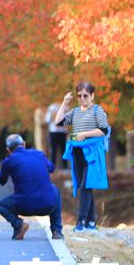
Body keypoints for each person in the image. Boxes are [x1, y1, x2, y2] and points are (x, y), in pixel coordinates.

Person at [53, 81, 109, 233]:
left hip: (92, 152)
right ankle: (91, 222)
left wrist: (85, 134)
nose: (82, 98)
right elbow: (58, 122)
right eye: (79, 96)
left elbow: (104, 130)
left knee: (86, 185)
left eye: (85, 95)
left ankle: (81, 221)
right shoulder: (76, 112)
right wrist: (64, 103)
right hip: (77, 152)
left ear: (92, 95)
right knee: (84, 186)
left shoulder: (98, 111)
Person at [0, 134, 63, 240]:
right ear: (24, 144)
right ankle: (56, 231)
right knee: (54, 189)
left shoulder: (9, 161)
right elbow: (51, 168)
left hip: (23, 206)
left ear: (8, 150)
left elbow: (1, 180)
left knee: (2, 206)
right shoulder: (39, 154)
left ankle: (18, 224)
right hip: (48, 205)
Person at [44, 100, 67, 170]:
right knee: (54, 149)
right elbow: (47, 119)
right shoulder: (52, 107)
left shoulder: (65, 107)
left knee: (62, 149)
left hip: (61, 131)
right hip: (55, 131)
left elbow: (68, 119)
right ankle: (53, 166)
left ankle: (64, 166)